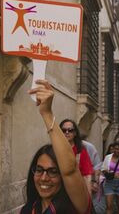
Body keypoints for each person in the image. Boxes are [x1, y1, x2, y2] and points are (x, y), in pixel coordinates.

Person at [20, 79, 91, 213]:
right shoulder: (28, 210)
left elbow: (70, 170)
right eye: (39, 170)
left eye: (53, 171)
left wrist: (47, 113)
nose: (44, 178)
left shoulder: (74, 206)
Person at [59, 119, 94, 195]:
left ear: (75, 133)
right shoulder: (55, 149)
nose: (67, 132)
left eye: (70, 130)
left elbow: (87, 176)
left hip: (75, 191)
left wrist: (89, 198)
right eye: (64, 130)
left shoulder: (81, 151)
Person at [101, 142, 119, 214]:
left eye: (118, 149)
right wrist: (107, 172)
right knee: (109, 206)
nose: (116, 150)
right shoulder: (108, 157)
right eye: (114, 149)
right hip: (109, 183)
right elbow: (103, 168)